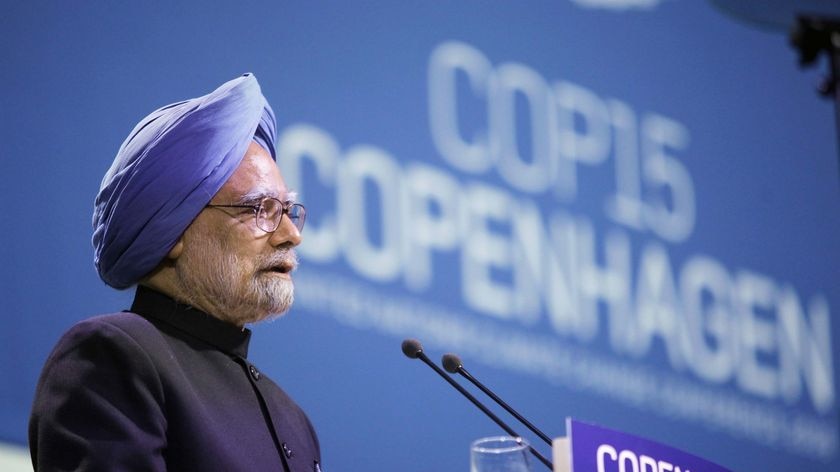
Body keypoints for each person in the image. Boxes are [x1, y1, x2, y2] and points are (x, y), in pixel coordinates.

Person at [28, 74, 321, 471]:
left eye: (287, 211)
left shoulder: (295, 421)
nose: (290, 235)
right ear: (175, 231)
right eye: (259, 210)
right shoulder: (112, 356)